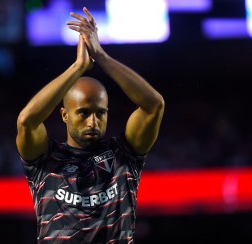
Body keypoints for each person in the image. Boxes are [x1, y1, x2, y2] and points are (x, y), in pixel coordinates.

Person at [16, 7, 165, 243]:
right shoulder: (44, 160)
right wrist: (78, 67)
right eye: (83, 113)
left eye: (100, 113)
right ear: (64, 115)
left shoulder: (124, 156)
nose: (93, 121)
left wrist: (102, 56)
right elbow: (27, 121)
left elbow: (154, 105)